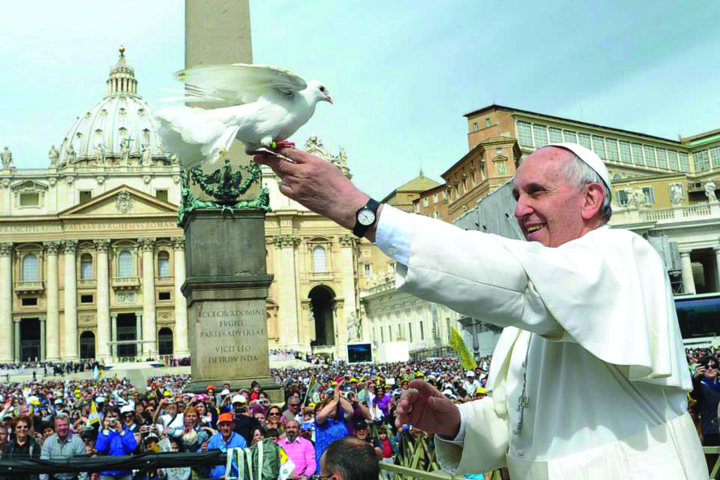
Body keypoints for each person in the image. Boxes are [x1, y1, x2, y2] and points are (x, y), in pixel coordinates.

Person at [254, 143, 705, 479]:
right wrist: (456, 422)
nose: (520, 209)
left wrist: (364, 213)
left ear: (589, 200)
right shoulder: (530, 317)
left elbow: (516, 275)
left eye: (536, 192)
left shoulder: (624, 256)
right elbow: (513, 422)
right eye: (516, 196)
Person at [40, 414, 89, 480]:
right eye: (60, 425)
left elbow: (83, 466)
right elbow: (44, 466)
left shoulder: (77, 441)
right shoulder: (48, 442)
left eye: (65, 425)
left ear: (69, 426)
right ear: (55, 428)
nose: (63, 428)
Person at [95, 406, 138, 480]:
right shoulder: (103, 433)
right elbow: (100, 448)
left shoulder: (126, 431)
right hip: (107, 473)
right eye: (109, 417)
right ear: (105, 418)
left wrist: (122, 431)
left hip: (124, 472)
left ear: (119, 418)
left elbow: (132, 447)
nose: (112, 419)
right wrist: (105, 430)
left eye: (114, 416)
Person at [202, 413, 247, 479]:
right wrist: (203, 450)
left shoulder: (241, 441)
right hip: (215, 478)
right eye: (223, 425)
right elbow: (203, 453)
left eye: (228, 425)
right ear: (219, 427)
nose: (225, 428)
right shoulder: (213, 439)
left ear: (233, 426)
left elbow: (243, 463)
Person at [3, 415, 41, 480]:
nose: (22, 429)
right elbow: (4, 465)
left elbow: (37, 466)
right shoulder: (9, 446)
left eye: (25, 427)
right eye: (19, 427)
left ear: (28, 429)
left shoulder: (35, 445)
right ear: (14, 430)